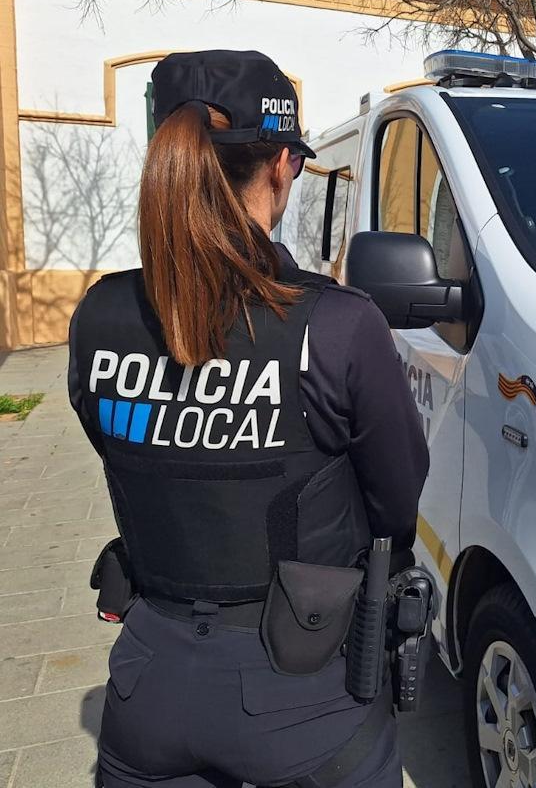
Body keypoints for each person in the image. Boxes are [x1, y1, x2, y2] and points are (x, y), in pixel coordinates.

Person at [66, 50, 430, 788]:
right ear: (282, 168)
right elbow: (397, 499)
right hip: (309, 697)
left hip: (149, 688)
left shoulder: (99, 315)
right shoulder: (336, 325)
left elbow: (116, 444)